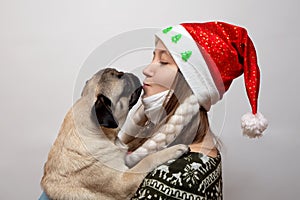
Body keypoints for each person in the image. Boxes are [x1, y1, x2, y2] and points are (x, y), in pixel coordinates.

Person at [119, 21, 268, 199]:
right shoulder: (159, 139)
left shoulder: (181, 176)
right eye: (153, 58)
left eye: (164, 62)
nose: (147, 70)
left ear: (191, 85)